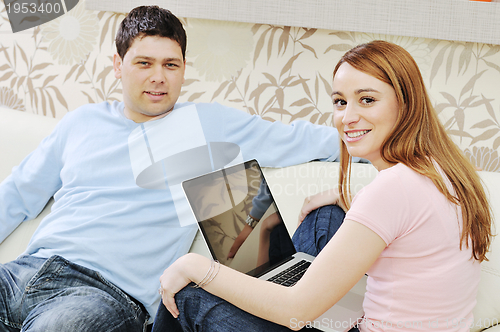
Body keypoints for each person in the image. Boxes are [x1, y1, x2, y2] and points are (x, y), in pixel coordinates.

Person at [0, 5, 346, 332]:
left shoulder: (208, 124)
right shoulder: (80, 122)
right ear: (118, 65)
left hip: (105, 294)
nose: (158, 78)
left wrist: (391, 150)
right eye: (144, 63)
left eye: (170, 65)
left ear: (183, 68)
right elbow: (16, 194)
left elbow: (312, 140)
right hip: (25, 272)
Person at [155, 40, 493, 332]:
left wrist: (195, 265)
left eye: (367, 100)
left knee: (189, 295)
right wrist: (343, 197)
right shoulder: (442, 169)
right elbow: (407, 216)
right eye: (341, 102)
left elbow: (296, 312)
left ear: (406, 103)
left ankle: (265, 285)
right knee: (326, 215)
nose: (348, 117)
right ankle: (271, 279)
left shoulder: (391, 190)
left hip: (319, 314)